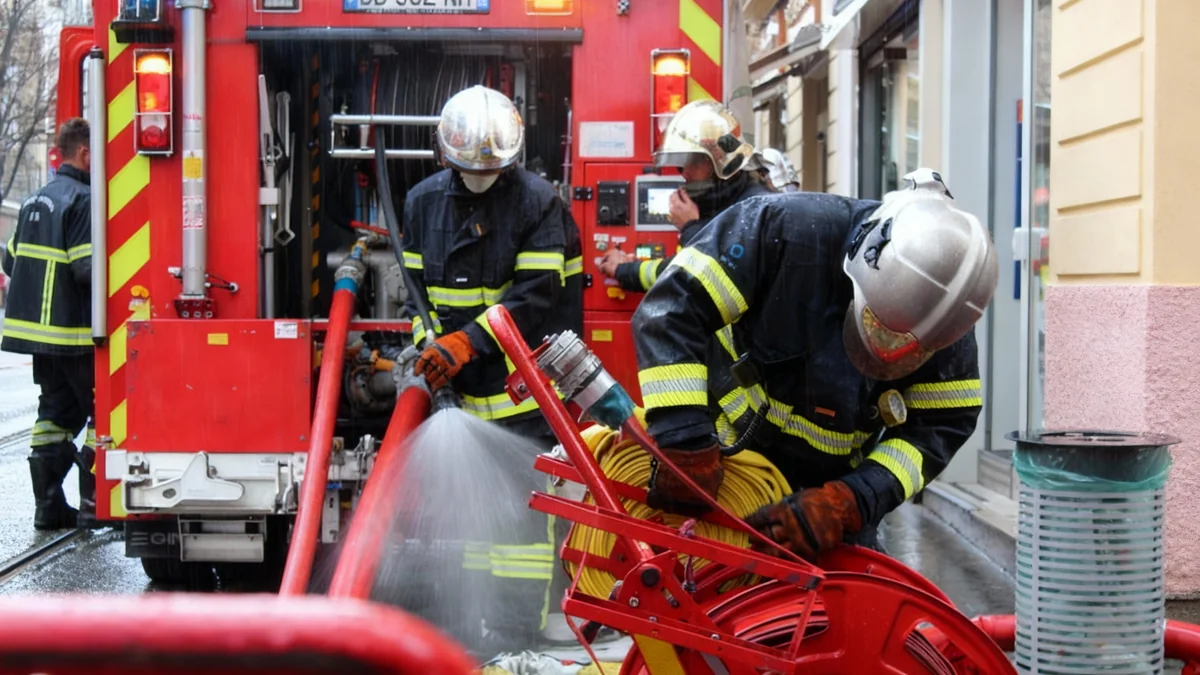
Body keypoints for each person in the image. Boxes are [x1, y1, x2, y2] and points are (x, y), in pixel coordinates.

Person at [631, 168, 998, 561]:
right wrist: (685, 441)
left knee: (843, 611)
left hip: (827, 497)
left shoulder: (944, 317)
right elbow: (672, 310)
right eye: (879, 327)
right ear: (864, 259)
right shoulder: (782, 232)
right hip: (724, 456)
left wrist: (854, 499)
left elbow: (942, 421)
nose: (886, 348)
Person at [400, 84, 583, 653]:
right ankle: (479, 626)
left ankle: (517, 628)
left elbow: (536, 300)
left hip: (524, 388)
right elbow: (415, 295)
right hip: (461, 387)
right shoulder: (423, 202)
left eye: (491, 170)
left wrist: (466, 342)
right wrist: (427, 347)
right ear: (444, 156)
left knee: (523, 518)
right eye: (468, 169)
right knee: (476, 515)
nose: (479, 177)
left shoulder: (538, 203)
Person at [1, 118, 98, 531]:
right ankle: (95, 506)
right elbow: (86, 268)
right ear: (86, 153)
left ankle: (48, 507)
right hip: (74, 337)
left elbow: (9, 260)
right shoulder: (84, 200)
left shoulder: (32, 201)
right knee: (103, 417)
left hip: (36, 339)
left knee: (53, 415)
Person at [596, 100, 773, 292]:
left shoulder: (752, 211)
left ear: (720, 161)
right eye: (682, 164)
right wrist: (624, 269)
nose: (684, 172)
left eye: (694, 162)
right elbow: (676, 269)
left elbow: (703, 280)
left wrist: (691, 228)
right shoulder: (721, 201)